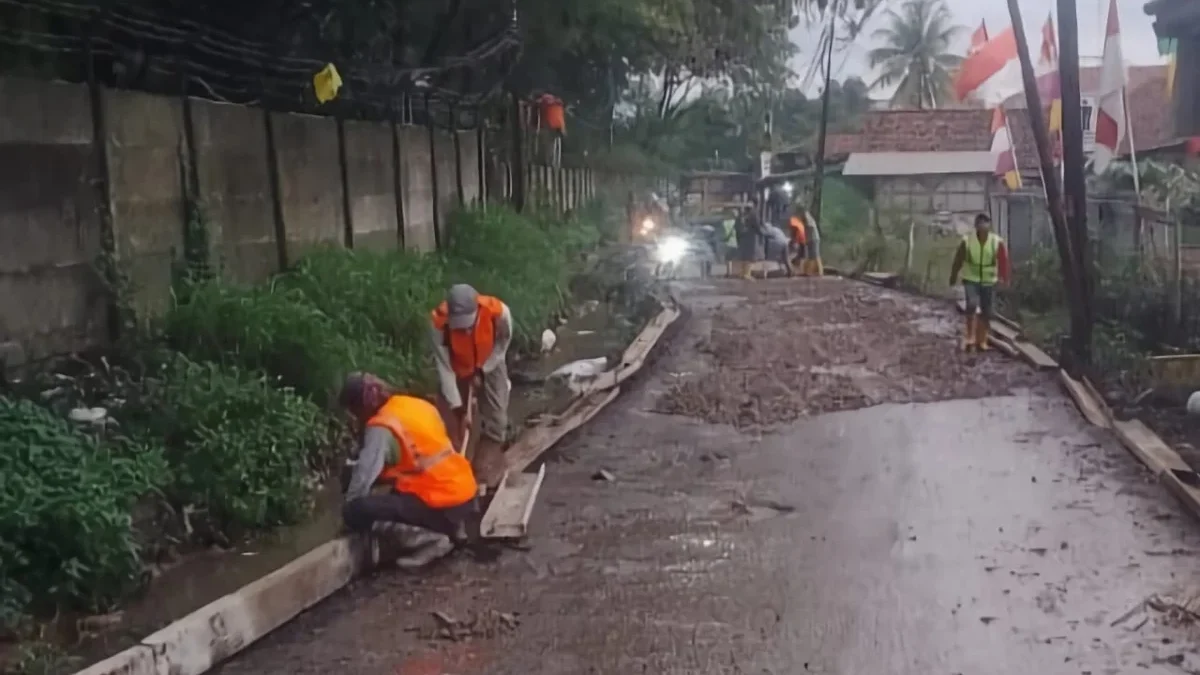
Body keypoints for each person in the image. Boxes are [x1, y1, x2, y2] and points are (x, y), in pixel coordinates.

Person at [339, 372, 478, 567]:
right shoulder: (416, 405)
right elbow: (418, 460)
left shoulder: (381, 425)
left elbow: (363, 476)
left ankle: (429, 540)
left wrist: (349, 512)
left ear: (360, 407)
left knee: (357, 510)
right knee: (394, 494)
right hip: (463, 495)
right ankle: (454, 528)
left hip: (440, 502)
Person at [429, 284, 513, 486]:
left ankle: (483, 466)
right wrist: (457, 408)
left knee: (497, 420)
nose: (465, 330)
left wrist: (484, 368)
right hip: (457, 367)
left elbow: (503, 343)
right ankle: (453, 469)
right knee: (452, 426)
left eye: (468, 324)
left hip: (491, 360)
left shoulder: (499, 312)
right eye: (460, 326)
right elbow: (444, 368)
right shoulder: (438, 324)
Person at [949, 213, 1011, 351]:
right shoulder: (967, 241)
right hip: (971, 279)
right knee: (971, 304)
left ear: (989, 225)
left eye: (986, 223)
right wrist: (953, 276)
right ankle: (970, 336)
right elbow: (958, 260)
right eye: (980, 223)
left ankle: (982, 340)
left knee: (986, 310)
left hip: (989, 281)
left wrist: (1004, 278)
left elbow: (1003, 261)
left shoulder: (996, 241)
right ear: (976, 226)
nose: (983, 226)